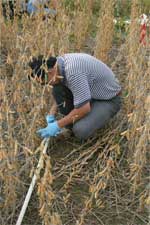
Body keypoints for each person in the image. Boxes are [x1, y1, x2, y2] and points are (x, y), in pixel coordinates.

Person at [28, 53, 122, 140]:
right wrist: (51, 114)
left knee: (80, 130)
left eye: (45, 82)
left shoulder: (73, 73)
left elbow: (84, 109)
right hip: (90, 92)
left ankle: (89, 121)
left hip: (108, 99)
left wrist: (58, 125)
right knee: (57, 89)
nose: (47, 84)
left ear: (50, 72)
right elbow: (60, 89)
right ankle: (71, 123)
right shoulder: (59, 64)